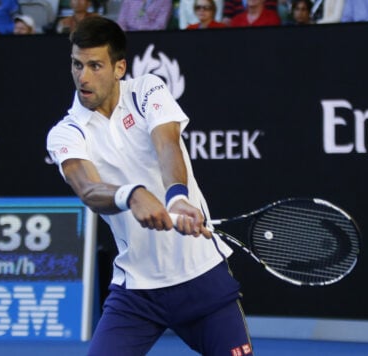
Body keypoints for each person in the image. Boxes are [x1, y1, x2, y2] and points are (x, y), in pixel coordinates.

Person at [46, 16, 251, 356]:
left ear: (119, 68)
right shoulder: (67, 132)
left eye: (95, 65)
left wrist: (178, 197)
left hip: (201, 276)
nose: (82, 76)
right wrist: (132, 194)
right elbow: (88, 190)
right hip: (136, 292)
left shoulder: (147, 90)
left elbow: (166, 142)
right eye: (76, 64)